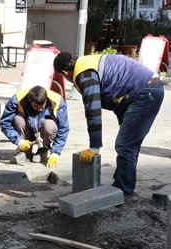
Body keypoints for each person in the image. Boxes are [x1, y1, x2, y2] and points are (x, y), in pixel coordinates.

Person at [53, 52, 164, 196]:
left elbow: (93, 111)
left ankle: (123, 191)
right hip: (143, 89)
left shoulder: (84, 74)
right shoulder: (88, 62)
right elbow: (115, 93)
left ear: (65, 72)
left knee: (124, 144)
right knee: (128, 143)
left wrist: (94, 147)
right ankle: (123, 184)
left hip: (145, 91)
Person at [0, 86, 69, 168]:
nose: (39, 109)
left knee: (49, 126)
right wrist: (19, 141)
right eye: (36, 106)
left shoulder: (57, 101)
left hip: (45, 131)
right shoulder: (17, 99)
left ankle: (43, 149)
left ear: (46, 99)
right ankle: (26, 149)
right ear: (30, 101)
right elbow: (5, 123)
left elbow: (63, 128)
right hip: (27, 128)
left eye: (42, 107)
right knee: (17, 120)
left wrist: (56, 153)